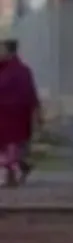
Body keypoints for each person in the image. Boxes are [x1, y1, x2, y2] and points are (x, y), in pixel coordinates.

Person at [0, 40, 40, 187]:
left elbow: (30, 93)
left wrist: (37, 113)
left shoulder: (21, 71)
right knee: (7, 148)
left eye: (1, 50)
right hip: (3, 115)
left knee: (12, 147)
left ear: (10, 52)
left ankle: (14, 174)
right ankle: (18, 170)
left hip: (16, 116)